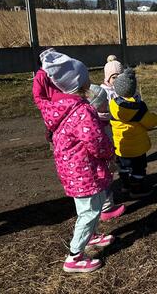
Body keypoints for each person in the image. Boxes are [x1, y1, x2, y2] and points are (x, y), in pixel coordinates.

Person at [37, 50, 115, 273]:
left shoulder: (61, 108)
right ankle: (74, 256)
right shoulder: (82, 111)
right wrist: (110, 153)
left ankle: (90, 236)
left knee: (90, 208)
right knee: (89, 212)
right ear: (80, 83)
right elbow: (96, 140)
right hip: (84, 171)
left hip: (73, 171)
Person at [110, 68, 157, 198]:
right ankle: (136, 189)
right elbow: (151, 122)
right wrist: (154, 116)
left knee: (124, 167)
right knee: (138, 169)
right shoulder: (139, 107)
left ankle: (125, 185)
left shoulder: (113, 105)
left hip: (120, 146)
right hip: (137, 147)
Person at [87, 84, 125, 221]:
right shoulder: (95, 121)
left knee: (107, 180)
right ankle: (106, 209)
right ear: (96, 105)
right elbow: (97, 142)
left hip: (108, 154)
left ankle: (106, 205)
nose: (107, 103)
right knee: (105, 182)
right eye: (104, 102)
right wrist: (108, 154)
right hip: (103, 157)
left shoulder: (102, 117)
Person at [32, 48, 61, 143]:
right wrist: (47, 108)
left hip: (64, 106)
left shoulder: (59, 72)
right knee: (52, 131)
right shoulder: (41, 76)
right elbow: (38, 96)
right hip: (51, 110)